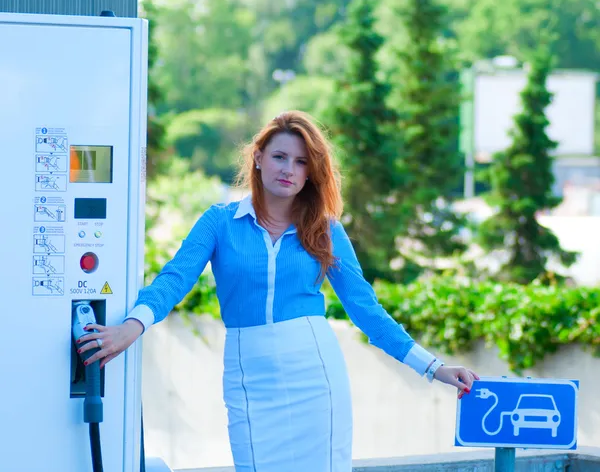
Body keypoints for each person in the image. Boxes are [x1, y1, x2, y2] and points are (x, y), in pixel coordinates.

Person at [77, 110, 479, 472]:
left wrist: (434, 368)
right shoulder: (220, 222)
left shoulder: (325, 231)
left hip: (314, 374)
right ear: (258, 157)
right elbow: (174, 279)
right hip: (249, 373)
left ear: (310, 174)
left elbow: (365, 309)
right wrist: (132, 326)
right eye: (280, 156)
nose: (289, 169)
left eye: (301, 162)